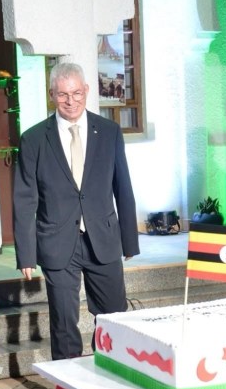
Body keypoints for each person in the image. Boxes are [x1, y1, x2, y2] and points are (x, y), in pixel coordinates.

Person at [14, 62, 139, 360]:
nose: (70, 101)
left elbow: (123, 188)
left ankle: (108, 377)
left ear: (86, 91)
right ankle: (68, 385)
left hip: (103, 240)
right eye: (62, 94)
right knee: (63, 324)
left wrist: (129, 241)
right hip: (57, 243)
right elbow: (24, 200)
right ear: (51, 95)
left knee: (113, 318)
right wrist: (26, 255)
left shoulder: (109, 132)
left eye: (76, 93)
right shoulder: (33, 139)